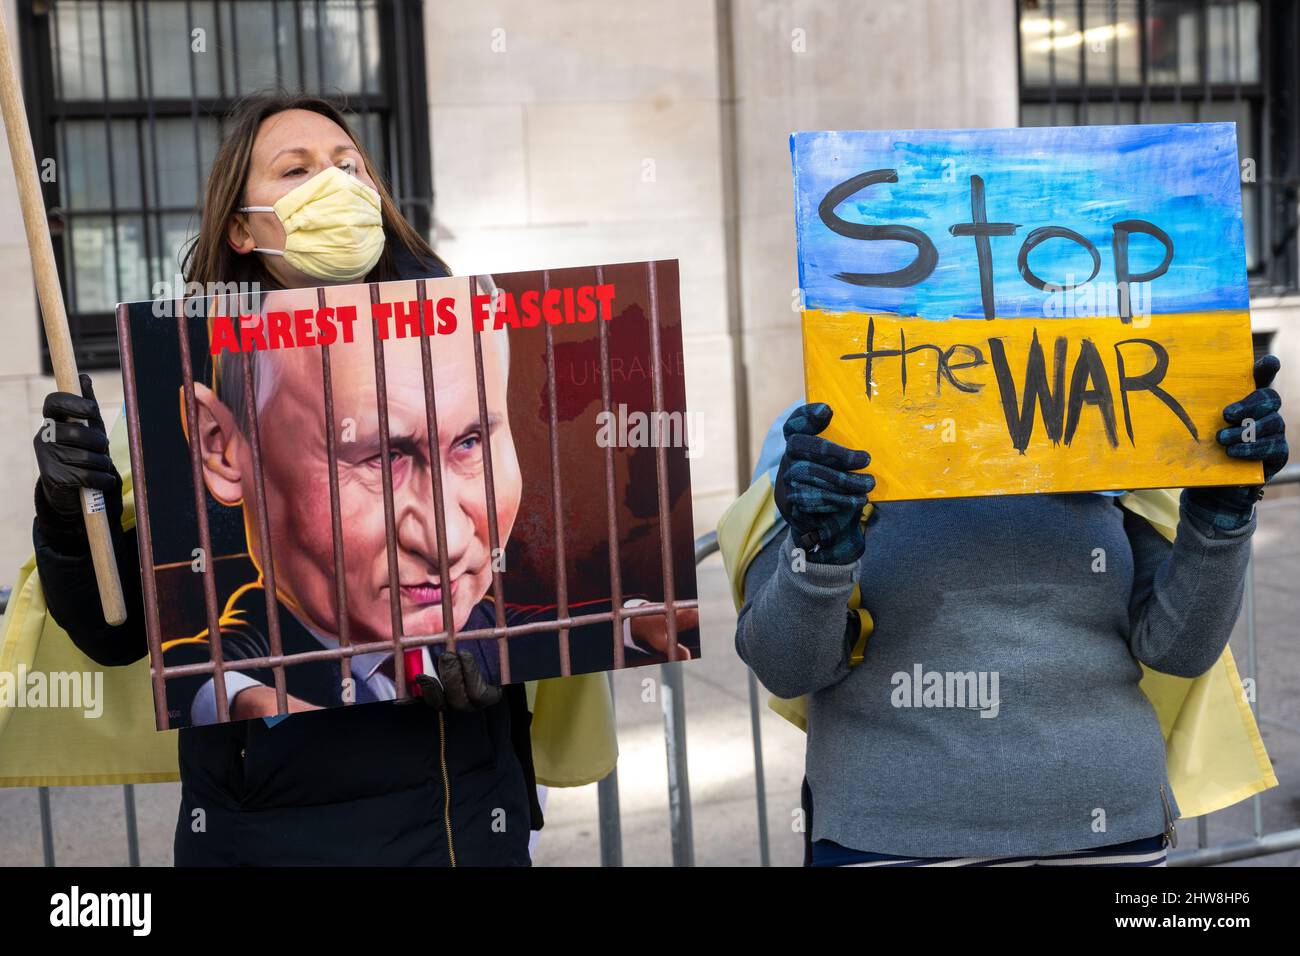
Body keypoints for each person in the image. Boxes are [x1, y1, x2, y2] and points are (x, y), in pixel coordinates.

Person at [30, 90, 684, 866]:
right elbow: (119, 631)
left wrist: (510, 677)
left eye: (349, 165)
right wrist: (76, 513)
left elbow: (550, 607)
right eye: (297, 169)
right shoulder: (191, 370)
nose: (334, 184)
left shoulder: (459, 328)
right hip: (273, 839)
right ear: (241, 225)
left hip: (466, 827)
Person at [734, 355, 1288, 867]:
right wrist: (817, 553)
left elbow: (1181, 649)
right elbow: (788, 668)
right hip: (889, 839)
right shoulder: (824, 438)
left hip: (1110, 834)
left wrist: (1221, 518)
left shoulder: (1117, 416)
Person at [163, 281, 690, 727]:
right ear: (221, 447)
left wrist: (629, 622)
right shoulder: (260, 645)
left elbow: (536, 634)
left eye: (470, 443)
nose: (448, 542)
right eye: (380, 456)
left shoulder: (477, 625)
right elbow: (198, 669)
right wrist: (250, 703)